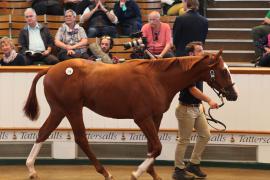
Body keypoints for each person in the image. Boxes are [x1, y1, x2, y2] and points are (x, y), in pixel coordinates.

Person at [172, 41, 219, 180]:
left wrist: (201, 104)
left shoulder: (199, 68)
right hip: (185, 109)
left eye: (202, 50)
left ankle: (193, 164)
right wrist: (209, 100)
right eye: (199, 50)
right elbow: (192, 89)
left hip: (197, 107)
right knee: (184, 140)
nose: (202, 53)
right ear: (191, 54)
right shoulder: (186, 69)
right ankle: (178, 170)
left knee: (205, 135)